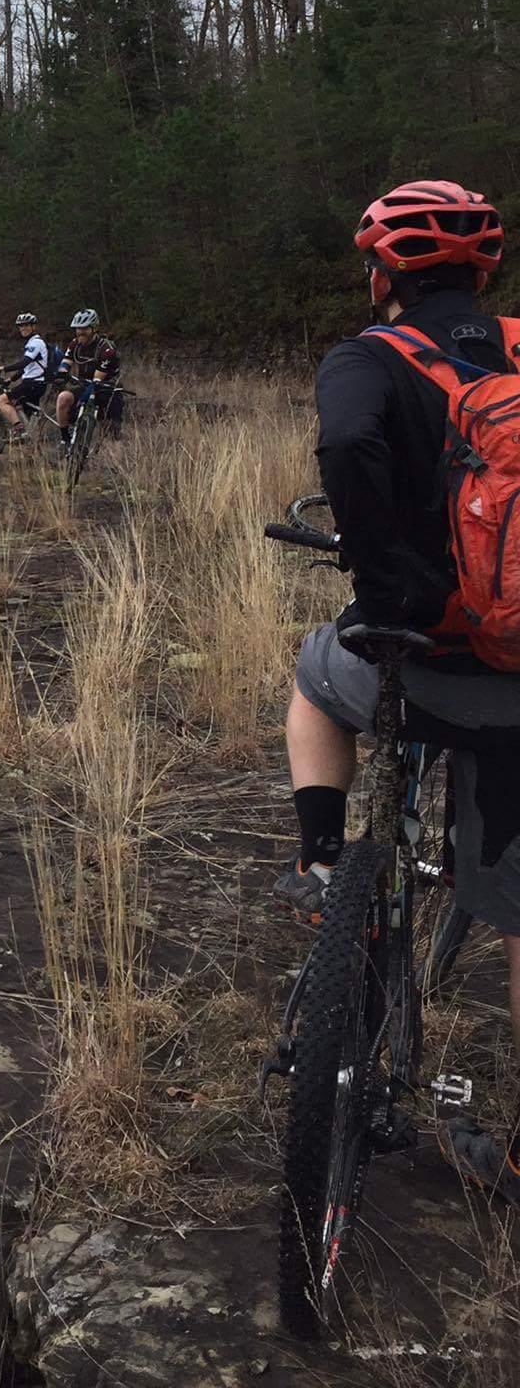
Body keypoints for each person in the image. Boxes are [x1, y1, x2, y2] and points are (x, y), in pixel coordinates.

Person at [272, 179, 520, 1201]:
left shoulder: (367, 358)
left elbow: (346, 446)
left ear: (382, 274)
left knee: (316, 679)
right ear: (484, 270)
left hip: (433, 660)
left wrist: (392, 588)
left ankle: (327, 861)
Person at [54, 309, 122, 444]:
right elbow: (67, 361)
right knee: (63, 398)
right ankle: (65, 439)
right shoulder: (75, 344)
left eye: (84, 328)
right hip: (84, 384)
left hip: (106, 389)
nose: (80, 332)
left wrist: (86, 395)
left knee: (111, 435)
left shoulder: (107, 349)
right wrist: (61, 373)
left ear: (94, 328)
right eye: (78, 328)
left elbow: (97, 379)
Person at [0, 312, 49, 444]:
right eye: (20, 326)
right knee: (28, 419)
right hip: (35, 384)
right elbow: (26, 368)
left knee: (0, 402)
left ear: (33, 327)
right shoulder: (32, 342)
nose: (22, 328)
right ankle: (30, 448)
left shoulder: (35, 343)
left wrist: (3, 369)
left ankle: (20, 430)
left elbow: (24, 362)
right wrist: (10, 380)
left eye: (26, 326)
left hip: (33, 384)